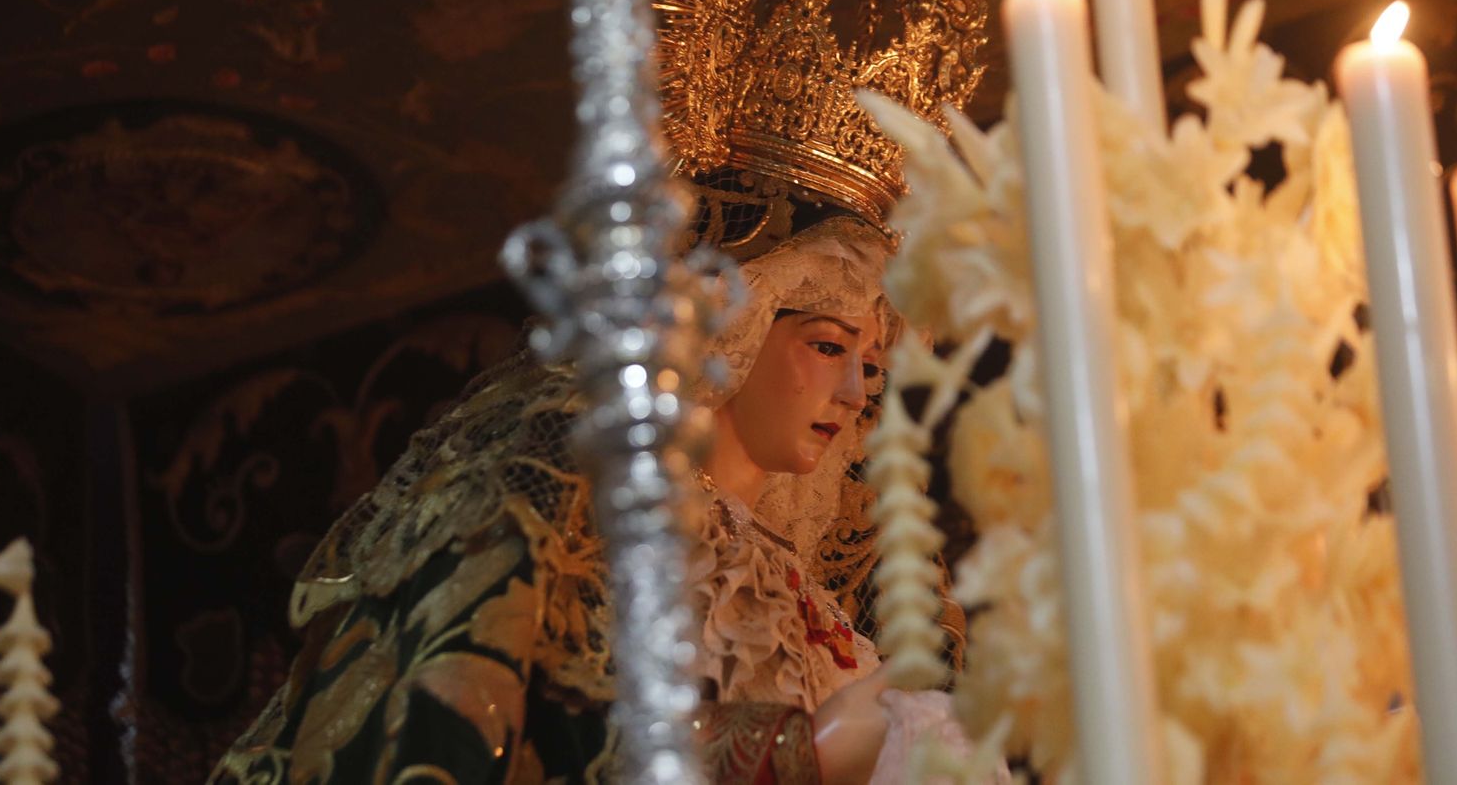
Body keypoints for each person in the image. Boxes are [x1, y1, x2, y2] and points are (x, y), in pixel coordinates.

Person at [208, 213, 953, 783]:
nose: (856, 395)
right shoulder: (588, 514)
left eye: (870, 365)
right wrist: (798, 751)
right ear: (734, 329)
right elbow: (484, 714)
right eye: (827, 345)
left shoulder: (813, 604)